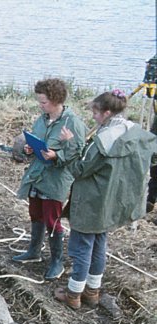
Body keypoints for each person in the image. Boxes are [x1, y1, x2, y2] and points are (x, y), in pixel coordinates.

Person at [53, 90, 157, 309]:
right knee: (99, 245)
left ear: (107, 113)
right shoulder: (136, 133)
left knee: (82, 247)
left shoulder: (104, 140)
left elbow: (79, 170)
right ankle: (92, 291)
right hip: (113, 202)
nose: (93, 116)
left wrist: (71, 144)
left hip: (92, 202)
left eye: (95, 112)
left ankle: (74, 293)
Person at [13, 78, 86, 280]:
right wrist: (30, 149)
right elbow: (38, 142)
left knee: (52, 220)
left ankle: (57, 262)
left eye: (43, 102)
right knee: (35, 213)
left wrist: (57, 156)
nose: (40, 105)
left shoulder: (73, 123)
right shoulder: (42, 119)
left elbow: (78, 153)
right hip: (37, 175)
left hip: (56, 180)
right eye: (39, 102)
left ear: (55, 100)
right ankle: (34, 252)